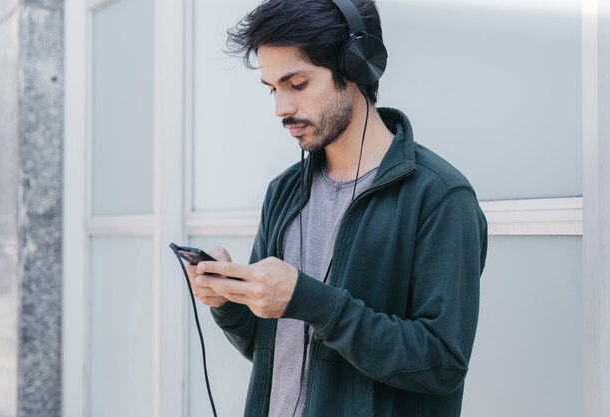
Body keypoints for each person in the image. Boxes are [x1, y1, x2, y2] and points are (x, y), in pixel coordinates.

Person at [186, 0, 488, 416]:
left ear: (357, 67)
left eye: (297, 83)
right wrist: (227, 301)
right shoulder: (285, 192)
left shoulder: (439, 197)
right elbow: (269, 347)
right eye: (273, 89)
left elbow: (441, 364)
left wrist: (310, 301)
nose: (281, 109)